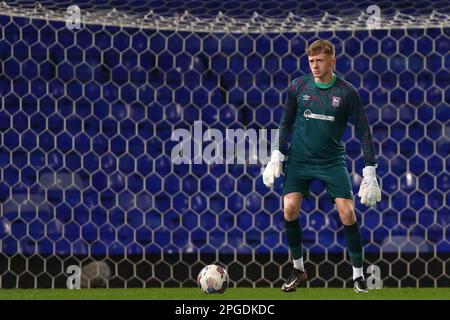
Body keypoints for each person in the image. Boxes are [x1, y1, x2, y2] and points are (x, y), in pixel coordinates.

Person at [263, 39, 381, 293]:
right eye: (311, 61)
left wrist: (369, 170)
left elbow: (364, 133)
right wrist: (277, 154)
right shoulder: (298, 86)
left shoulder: (347, 92)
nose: (314, 66)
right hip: (300, 160)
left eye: (319, 60)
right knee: (289, 209)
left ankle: (358, 276)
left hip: (331, 161)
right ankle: (298, 270)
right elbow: (285, 123)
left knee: (348, 213)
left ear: (332, 61)